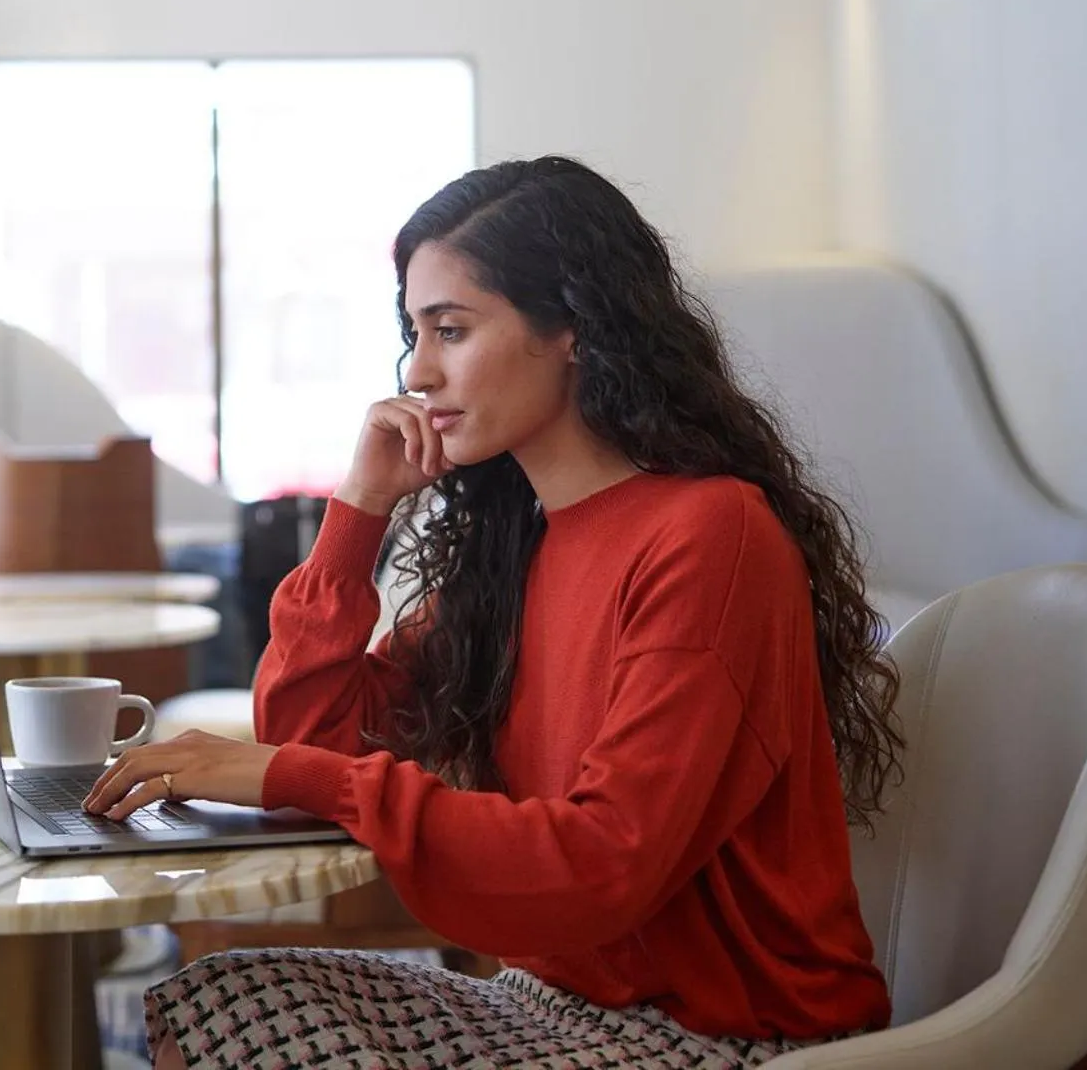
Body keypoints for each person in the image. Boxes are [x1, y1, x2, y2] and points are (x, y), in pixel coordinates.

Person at [83, 156, 900, 1069]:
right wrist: (358, 510)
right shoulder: (515, 549)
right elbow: (312, 735)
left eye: (452, 329)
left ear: (574, 330)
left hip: (730, 1038)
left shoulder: (710, 534)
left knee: (251, 1038)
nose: (418, 371)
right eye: (415, 333)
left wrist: (291, 775)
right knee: (219, 1001)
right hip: (560, 1001)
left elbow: (604, 863)